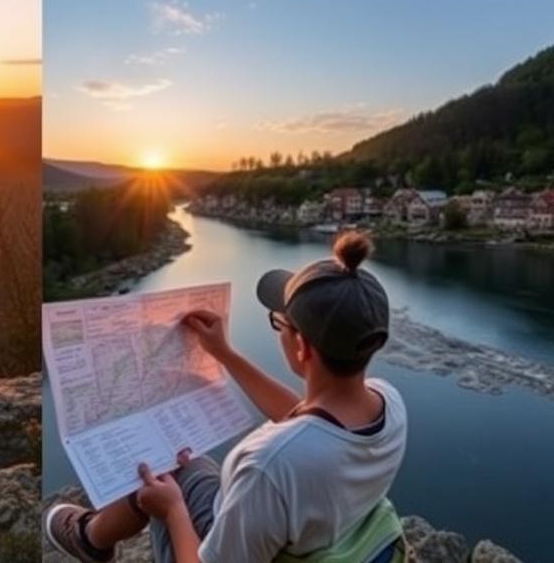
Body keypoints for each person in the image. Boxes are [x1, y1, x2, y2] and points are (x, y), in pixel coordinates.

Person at [45, 232, 407, 563]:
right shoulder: (387, 403)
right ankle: (93, 538)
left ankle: (91, 539)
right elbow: (303, 419)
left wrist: (172, 511)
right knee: (179, 463)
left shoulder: (269, 466)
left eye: (279, 322)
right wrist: (225, 353)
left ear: (301, 346)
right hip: (319, 528)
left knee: (157, 476)